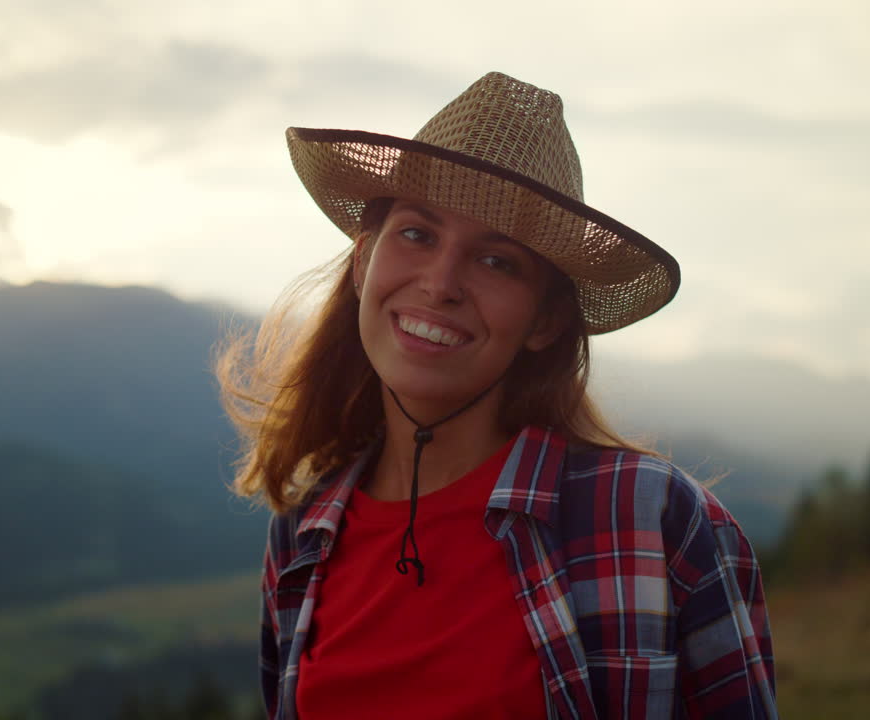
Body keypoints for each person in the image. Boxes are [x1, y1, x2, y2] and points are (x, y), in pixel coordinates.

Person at [218, 71, 777, 720]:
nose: (441, 284)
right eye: (417, 234)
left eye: (496, 261)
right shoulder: (305, 532)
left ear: (545, 321)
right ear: (365, 261)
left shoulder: (653, 521)